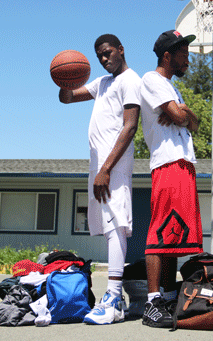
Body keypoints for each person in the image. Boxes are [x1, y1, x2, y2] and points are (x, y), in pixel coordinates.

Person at [58, 34, 141, 325]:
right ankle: (113, 298)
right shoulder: (103, 83)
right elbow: (68, 98)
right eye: (99, 56)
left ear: (121, 49)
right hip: (99, 163)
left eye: (108, 53)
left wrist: (106, 168)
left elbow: (130, 126)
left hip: (114, 164)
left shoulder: (130, 80)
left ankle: (114, 297)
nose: (104, 59)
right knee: (107, 227)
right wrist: (63, 78)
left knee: (116, 224)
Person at [139, 30, 204, 328]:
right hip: (167, 164)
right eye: (183, 52)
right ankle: (152, 302)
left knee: (174, 237)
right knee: (161, 232)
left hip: (183, 165)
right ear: (167, 55)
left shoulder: (172, 90)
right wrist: (182, 114)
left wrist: (185, 110)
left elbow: (195, 123)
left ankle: (165, 296)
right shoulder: (152, 80)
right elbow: (180, 119)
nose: (187, 58)